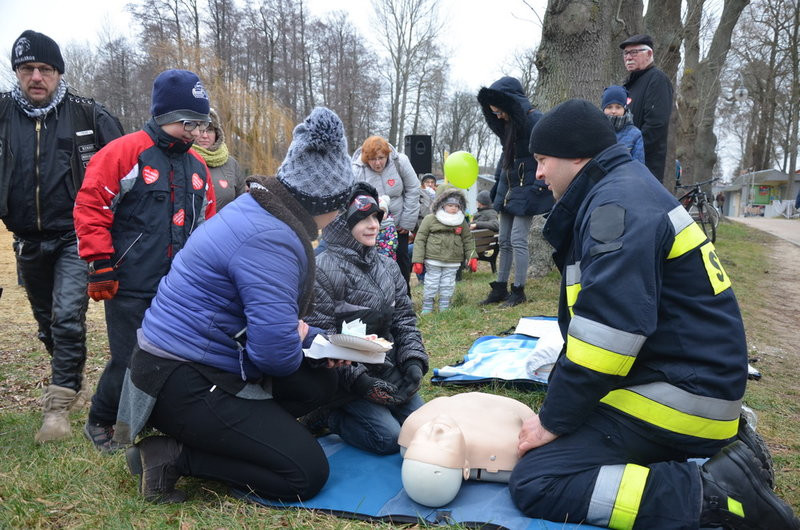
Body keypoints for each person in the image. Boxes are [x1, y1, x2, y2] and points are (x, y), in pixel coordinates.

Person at [507, 99, 798, 530]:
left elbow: (607, 334)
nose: (538, 173)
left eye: (542, 160)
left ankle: (715, 496)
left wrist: (553, 420)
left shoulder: (615, 207)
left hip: (683, 396)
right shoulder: (624, 189)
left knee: (539, 479)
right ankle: (729, 460)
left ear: (576, 155)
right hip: (690, 381)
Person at [115, 107, 355, 504]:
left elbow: (271, 326)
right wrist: (303, 342)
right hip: (180, 378)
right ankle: (173, 456)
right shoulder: (271, 239)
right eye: (341, 205)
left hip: (195, 361)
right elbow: (274, 354)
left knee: (318, 382)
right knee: (305, 473)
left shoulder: (259, 208)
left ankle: (251, 437)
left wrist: (318, 341)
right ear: (324, 202)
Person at [73, 69, 216, 451]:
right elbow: (91, 207)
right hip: (129, 281)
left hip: (178, 286)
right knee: (130, 358)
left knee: (170, 357)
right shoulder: (123, 153)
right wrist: (99, 262)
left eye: (200, 124)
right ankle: (103, 420)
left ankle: (150, 416)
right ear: (164, 115)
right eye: (188, 123)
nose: (195, 132)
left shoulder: (198, 167)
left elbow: (208, 226)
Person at [1, 30, 124, 444]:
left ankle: (57, 410)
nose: (36, 77)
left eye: (45, 69)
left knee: (67, 317)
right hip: (26, 239)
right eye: (27, 68)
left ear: (58, 72)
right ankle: (71, 380)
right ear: (17, 72)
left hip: (76, 236)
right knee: (47, 325)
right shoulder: (3, 113)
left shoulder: (88, 115)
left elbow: (125, 167)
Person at [305, 181, 428, 455]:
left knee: (422, 427)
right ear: (341, 222)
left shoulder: (388, 265)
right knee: (388, 438)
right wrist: (359, 381)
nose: (374, 225)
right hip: (342, 379)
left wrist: (413, 361)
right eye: (363, 218)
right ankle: (327, 416)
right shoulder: (321, 269)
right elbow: (320, 341)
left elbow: (404, 320)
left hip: (385, 367)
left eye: (376, 217)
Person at [477, 77, 554, 307]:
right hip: (508, 185)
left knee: (518, 239)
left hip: (528, 186)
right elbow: (506, 154)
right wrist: (497, 182)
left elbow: (547, 154)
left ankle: (518, 290)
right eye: (494, 112)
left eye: (500, 111)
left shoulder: (536, 120)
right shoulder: (509, 125)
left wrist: (541, 185)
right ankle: (500, 287)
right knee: (504, 240)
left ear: (510, 104)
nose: (498, 116)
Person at [352, 136, 419, 293]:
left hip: (398, 224)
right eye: (372, 159)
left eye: (381, 158)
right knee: (371, 264)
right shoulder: (356, 169)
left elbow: (413, 189)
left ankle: (404, 297)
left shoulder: (400, 162)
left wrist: (407, 222)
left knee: (401, 260)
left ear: (387, 155)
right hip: (370, 225)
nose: (377, 163)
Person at [412, 186, 477, 314]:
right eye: (450, 205)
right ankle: (427, 305)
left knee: (448, 283)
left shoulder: (461, 221)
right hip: (433, 258)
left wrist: (472, 256)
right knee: (431, 282)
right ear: (441, 204)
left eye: (457, 206)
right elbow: (420, 239)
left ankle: (444, 305)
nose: (454, 208)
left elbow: (468, 239)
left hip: (453, 260)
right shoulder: (430, 219)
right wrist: (418, 260)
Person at [621, 34, 674, 182]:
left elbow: (655, 126)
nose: (628, 57)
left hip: (644, 169)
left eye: (634, 52)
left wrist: (628, 152)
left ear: (649, 54)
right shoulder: (628, 85)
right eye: (626, 53)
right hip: (625, 166)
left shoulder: (657, 79)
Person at [193, 108, 246, 210]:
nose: (205, 136)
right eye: (200, 130)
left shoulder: (230, 163)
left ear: (217, 134)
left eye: (210, 130)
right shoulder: (182, 158)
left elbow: (241, 201)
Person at [601, 85, 645, 164]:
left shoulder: (635, 134)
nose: (613, 111)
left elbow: (638, 165)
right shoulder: (595, 130)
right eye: (609, 107)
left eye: (618, 107)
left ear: (624, 108)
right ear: (603, 108)